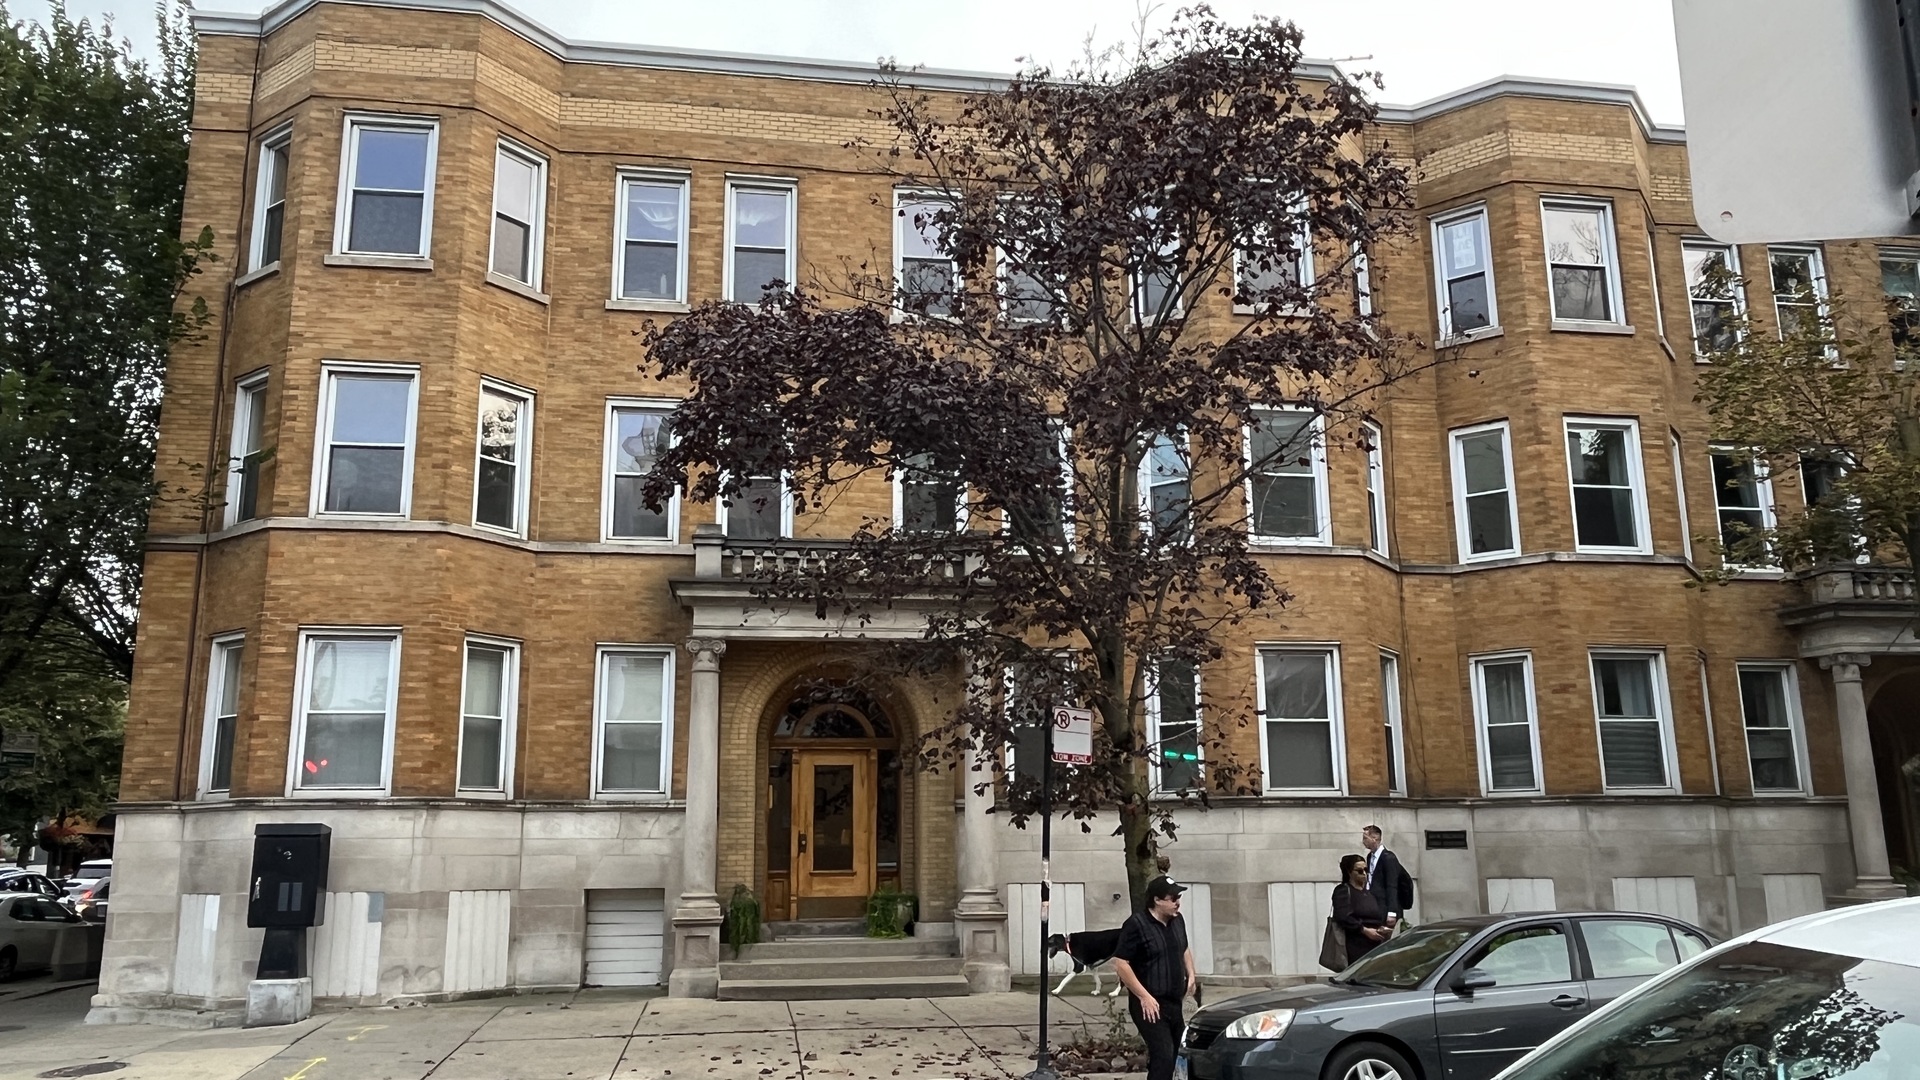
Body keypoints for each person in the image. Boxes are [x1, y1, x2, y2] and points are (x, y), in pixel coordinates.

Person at [1111, 875, 1198, 1080]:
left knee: (1179, 1052)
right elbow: (1121, 964)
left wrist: (1191, 974)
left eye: (1179, 897)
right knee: (1164, 1054)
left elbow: (1183, 948)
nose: (1177, 902)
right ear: (1157, 900)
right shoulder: (1137, 924)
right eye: (1172, 898)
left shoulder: (1177, 921)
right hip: (1149, 1004)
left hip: (1174, 1002)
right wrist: (1144, 996)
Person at [1332, 853, 1389, 962]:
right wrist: (1364, 930)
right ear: (1349, 872)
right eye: (1359, 871)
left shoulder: (1369, 893)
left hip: (1375, 944)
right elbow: (1343, 916)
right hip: (1355, 944)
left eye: (1366, 870)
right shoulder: (1343, 890)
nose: (1364, 873)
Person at [1361, 824, 1414, 929]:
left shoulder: (1388, 858)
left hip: (1385, 906)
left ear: (1374, 838)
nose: (1363, 841)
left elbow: (1392, 885)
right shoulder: (1370, 857)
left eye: (1365, 838)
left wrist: (1392, 912)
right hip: (1374, 904)